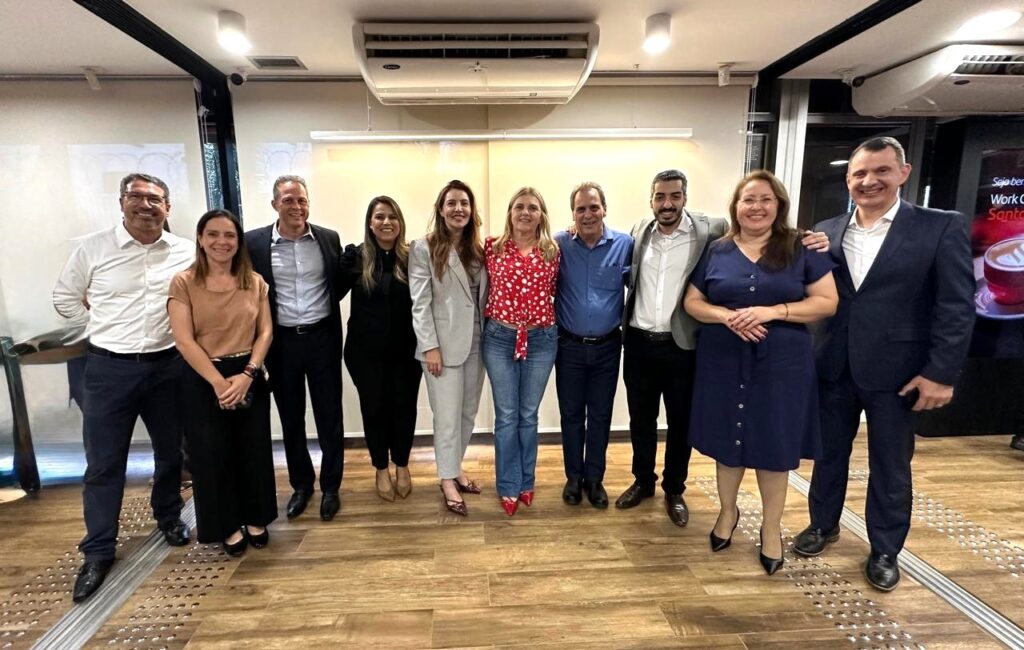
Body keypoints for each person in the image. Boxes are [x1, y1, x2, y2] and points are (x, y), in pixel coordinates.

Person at [794, 137, 975, 591]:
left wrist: (941, 372)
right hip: (834, 365)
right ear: (848, 179)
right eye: (859, 173)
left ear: (903, 173)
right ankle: (822, 525)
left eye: (880, 171)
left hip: (899, 371)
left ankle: (885, 548)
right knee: (828, 455)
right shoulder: (828, 231)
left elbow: (956, 305)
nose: (869, 181)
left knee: (891, 465)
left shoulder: (939, 226)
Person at [684, 170, 838, 575]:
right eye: (748, 200)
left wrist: (774, 311)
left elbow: (826, 302)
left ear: (779, 205)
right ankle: (727, 513)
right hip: (723, 358)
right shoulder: (717, 250)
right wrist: (726, 316)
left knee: (774, 447)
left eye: (765, 199)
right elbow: (693, 302)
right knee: (727, 443)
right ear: (735, 207)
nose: (756, 207)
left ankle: (771, 530)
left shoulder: (801, 246)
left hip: (782, 363)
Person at [53, 173, 193, 603]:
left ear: (167, 207)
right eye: (137, 197)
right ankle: (98, 550)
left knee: (172, 452)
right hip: (108, 368)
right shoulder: (93, 248)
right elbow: (64, 299)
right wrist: (98, 327)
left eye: (155, 199)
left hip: (167, 367)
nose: (146, 205)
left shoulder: (186, 252)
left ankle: (168, 516)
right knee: (103, 463)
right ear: (122, 203)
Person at [614, 169, 728, 526]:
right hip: (638, 344)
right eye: (660, 197)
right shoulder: (637, 232)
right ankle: (642, 481)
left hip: (682, 346)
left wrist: (802, 237)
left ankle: (674, 488)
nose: (667, 204)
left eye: (674, 196)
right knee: (641, 420)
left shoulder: (711, 230)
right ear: (651, 200)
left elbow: (757, 234)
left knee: (681, 421)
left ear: (685, 197)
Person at [168, 209, 277, 557]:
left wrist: (247, 374)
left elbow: (266, 332)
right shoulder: (183, 282)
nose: (221, 242)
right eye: (213, 234)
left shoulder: (254, 281)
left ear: (238, 241)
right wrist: (218, 382)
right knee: (212, 456)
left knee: (253, 450)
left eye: (229, 235)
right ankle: (227, 525)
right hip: (203, 377)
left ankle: (256, 517)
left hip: (248, 373)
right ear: (200, 239)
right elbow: (184, 340)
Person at [245, 176, 345, 522]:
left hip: (322, 338)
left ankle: (332, 486)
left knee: (330, 416)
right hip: (282, 342)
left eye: (302, 200)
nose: (297, 207)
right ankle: (302, 485)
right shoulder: (253, 244)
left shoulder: (327, 239)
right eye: (289, 200)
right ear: (275, 204)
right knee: (291, 418)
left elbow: (337, 285)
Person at [410, 180, 489, 516]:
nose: (459, 209)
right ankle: (446, 479)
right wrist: (430, 347)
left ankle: (455, 467)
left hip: (477, 342)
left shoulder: (480, 249)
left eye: (465, 204)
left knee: (467, 412)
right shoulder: (423, 247)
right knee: (446, 416)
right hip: (441, 347)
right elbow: (420, 302)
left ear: (472, 211)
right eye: (452, 203)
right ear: (441, 209)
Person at [553, 182, 633, 509]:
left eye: (593, 207)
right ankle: (573, 476)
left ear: (604, 209)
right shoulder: (558, 245)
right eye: (581, 209)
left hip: (607, 347)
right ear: (573, 213)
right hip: (568, 346)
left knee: (600, 415)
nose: (588, 214)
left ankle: (594, 478)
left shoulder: (625, 245)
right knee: (571, 414)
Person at [482, 187, 560, 516]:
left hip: (541, 339)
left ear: (542, 214)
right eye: (519, 207)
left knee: (528, 415)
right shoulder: (491, 247)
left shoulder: (553, 251)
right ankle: (508, 485)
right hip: (500, 337)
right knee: (507, 416)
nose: (525, 212)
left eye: (532, 207)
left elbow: (556, 291)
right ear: (510, 212)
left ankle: (527, 482)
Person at [339, 196, 422, 501]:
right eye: (379, 217)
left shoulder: (413, 257)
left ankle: (401, 465)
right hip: (365, 355)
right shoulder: (356, 258)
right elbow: (330, 293)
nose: (386, 222)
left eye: (392, 217)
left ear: (400, 222)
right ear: (370, 223)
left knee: (404, 410)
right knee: (374, 410)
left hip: (406, 354)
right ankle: (380, 468)